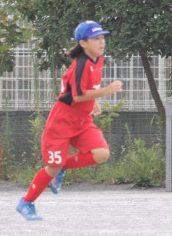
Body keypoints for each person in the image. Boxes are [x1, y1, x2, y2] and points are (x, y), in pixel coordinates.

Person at [16, 21, 122, 221]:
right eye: (95, 38)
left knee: (101, 154)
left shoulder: (98, 60)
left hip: (82, 120)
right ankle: (26, 202)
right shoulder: (80, 65)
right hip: (62, 121)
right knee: (52, 167)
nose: (101, 42)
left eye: (102, 37)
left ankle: (63, 167)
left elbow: (89, 88)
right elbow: (78, 96)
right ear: (83, 43)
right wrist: (106, 91)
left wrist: (95, 101)